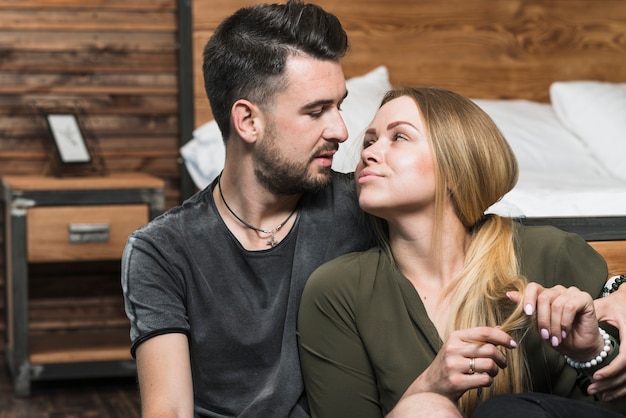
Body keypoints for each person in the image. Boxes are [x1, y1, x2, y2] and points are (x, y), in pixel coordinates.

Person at [296, 86, 626, 417]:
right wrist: (429, 388)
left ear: (456, 166)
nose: (369, 153)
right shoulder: (337, 291)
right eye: (369, 141)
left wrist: (593, 351)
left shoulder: (551, 254)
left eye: (398, 138)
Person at [120, 1, 374, 416]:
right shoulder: (161, 251)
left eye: (339, 106)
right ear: (248, 121)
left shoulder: (365, 208)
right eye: (316, 111)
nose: (341, 131)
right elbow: (169, 409)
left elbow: (476, 242)